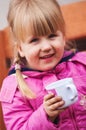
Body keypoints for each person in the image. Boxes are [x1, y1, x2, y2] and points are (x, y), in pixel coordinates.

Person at [0, 0, 86, 129]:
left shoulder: (82, 64)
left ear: (63, 37)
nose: (46, 47)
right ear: (20, 49)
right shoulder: (15, 88)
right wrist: (46, 115)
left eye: (52, 36)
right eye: (34, 40)